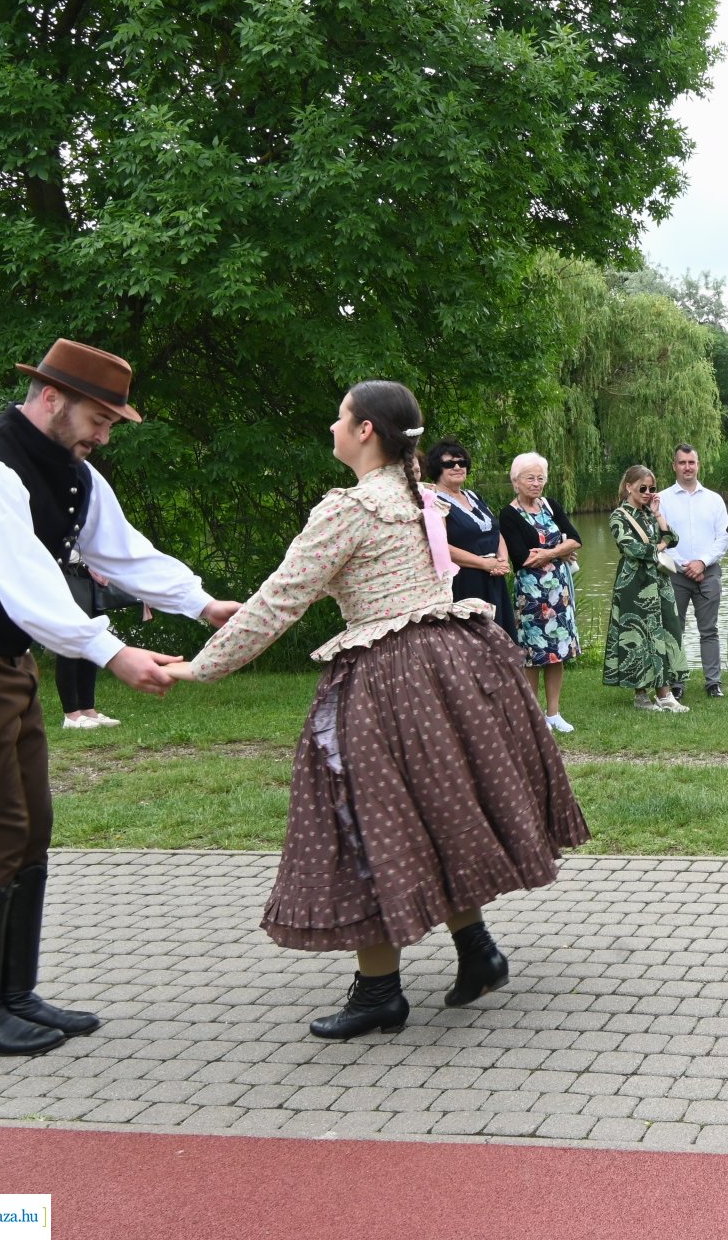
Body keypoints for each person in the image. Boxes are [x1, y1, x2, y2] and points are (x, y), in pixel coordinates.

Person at [168, 381, 589, 1040]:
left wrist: (202, 666)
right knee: (436, 810)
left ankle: (379, 993)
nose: (331, 427)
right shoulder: (419, 496)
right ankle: (477, 950)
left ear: (365, 430)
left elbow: (283, 600)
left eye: (339, 417)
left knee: (365, 821)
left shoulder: (352, 509)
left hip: (392, 676)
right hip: (455, 660)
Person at [0, 339, 238, 1056]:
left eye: (113, 424)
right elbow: (22, 581)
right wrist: (112, 652)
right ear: (52, 397)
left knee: (30, 827)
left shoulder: (75, 475)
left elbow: (125, 552)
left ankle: (13, 995)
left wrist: (203, 604)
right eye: (100, 418)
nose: (104, 434)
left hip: (4, 663)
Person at [499, 452, 582, 733]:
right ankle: (533, 715)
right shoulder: (509, 514)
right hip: (531, 594)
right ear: (516, 482)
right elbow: (522, 558)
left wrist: (550, 552)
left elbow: (576, 540)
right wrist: (561, 551)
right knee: (533, 654)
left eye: (540, 478)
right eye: (530, 478)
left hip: (560, 590)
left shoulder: (550, 505)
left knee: (557, 652)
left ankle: (554, 713)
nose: (536, 483)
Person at [605, 465, 688, 712]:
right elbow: (633, 549)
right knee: (638, 635)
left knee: (663, 631)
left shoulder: (648, 513)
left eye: (652, 488)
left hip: (658, 582)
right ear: (628, 486)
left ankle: (664, 693)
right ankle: (644, 694)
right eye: (643, 488)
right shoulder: (618, 516)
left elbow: (673, 538)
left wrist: (658, 513)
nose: (648, 492)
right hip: (634, 583)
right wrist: (660, 546)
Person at [424, 439, 514, 637]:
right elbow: (441, 547)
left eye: (461, 463)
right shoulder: (434, 501)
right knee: (475, 643)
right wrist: (484, 564)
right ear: (437, 468)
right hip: (465, 580)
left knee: (501, 639)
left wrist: (502, 561)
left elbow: (494, 530)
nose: (457, 467)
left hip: (493, 577)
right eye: (449, 464)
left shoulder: (474, 496)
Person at [662, 443, 728, 701]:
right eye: (682, 463)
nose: (687, 467)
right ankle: (676, 683)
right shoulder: (664, 499)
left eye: (691, 462)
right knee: (675, 629)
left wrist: (701, 562)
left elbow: (723, 537)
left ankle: (713, 683)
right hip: (676, 574)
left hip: (709, 573)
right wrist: (686, 566)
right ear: (674, 466)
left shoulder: (714, 499)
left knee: (709, 630)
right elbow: (663, 538)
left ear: (697, 465)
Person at [55, 565, 127, 729]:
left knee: (92, 639)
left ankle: (87, 710)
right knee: (70, 643)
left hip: (89, 577)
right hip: (65, 577)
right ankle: (71, 715)